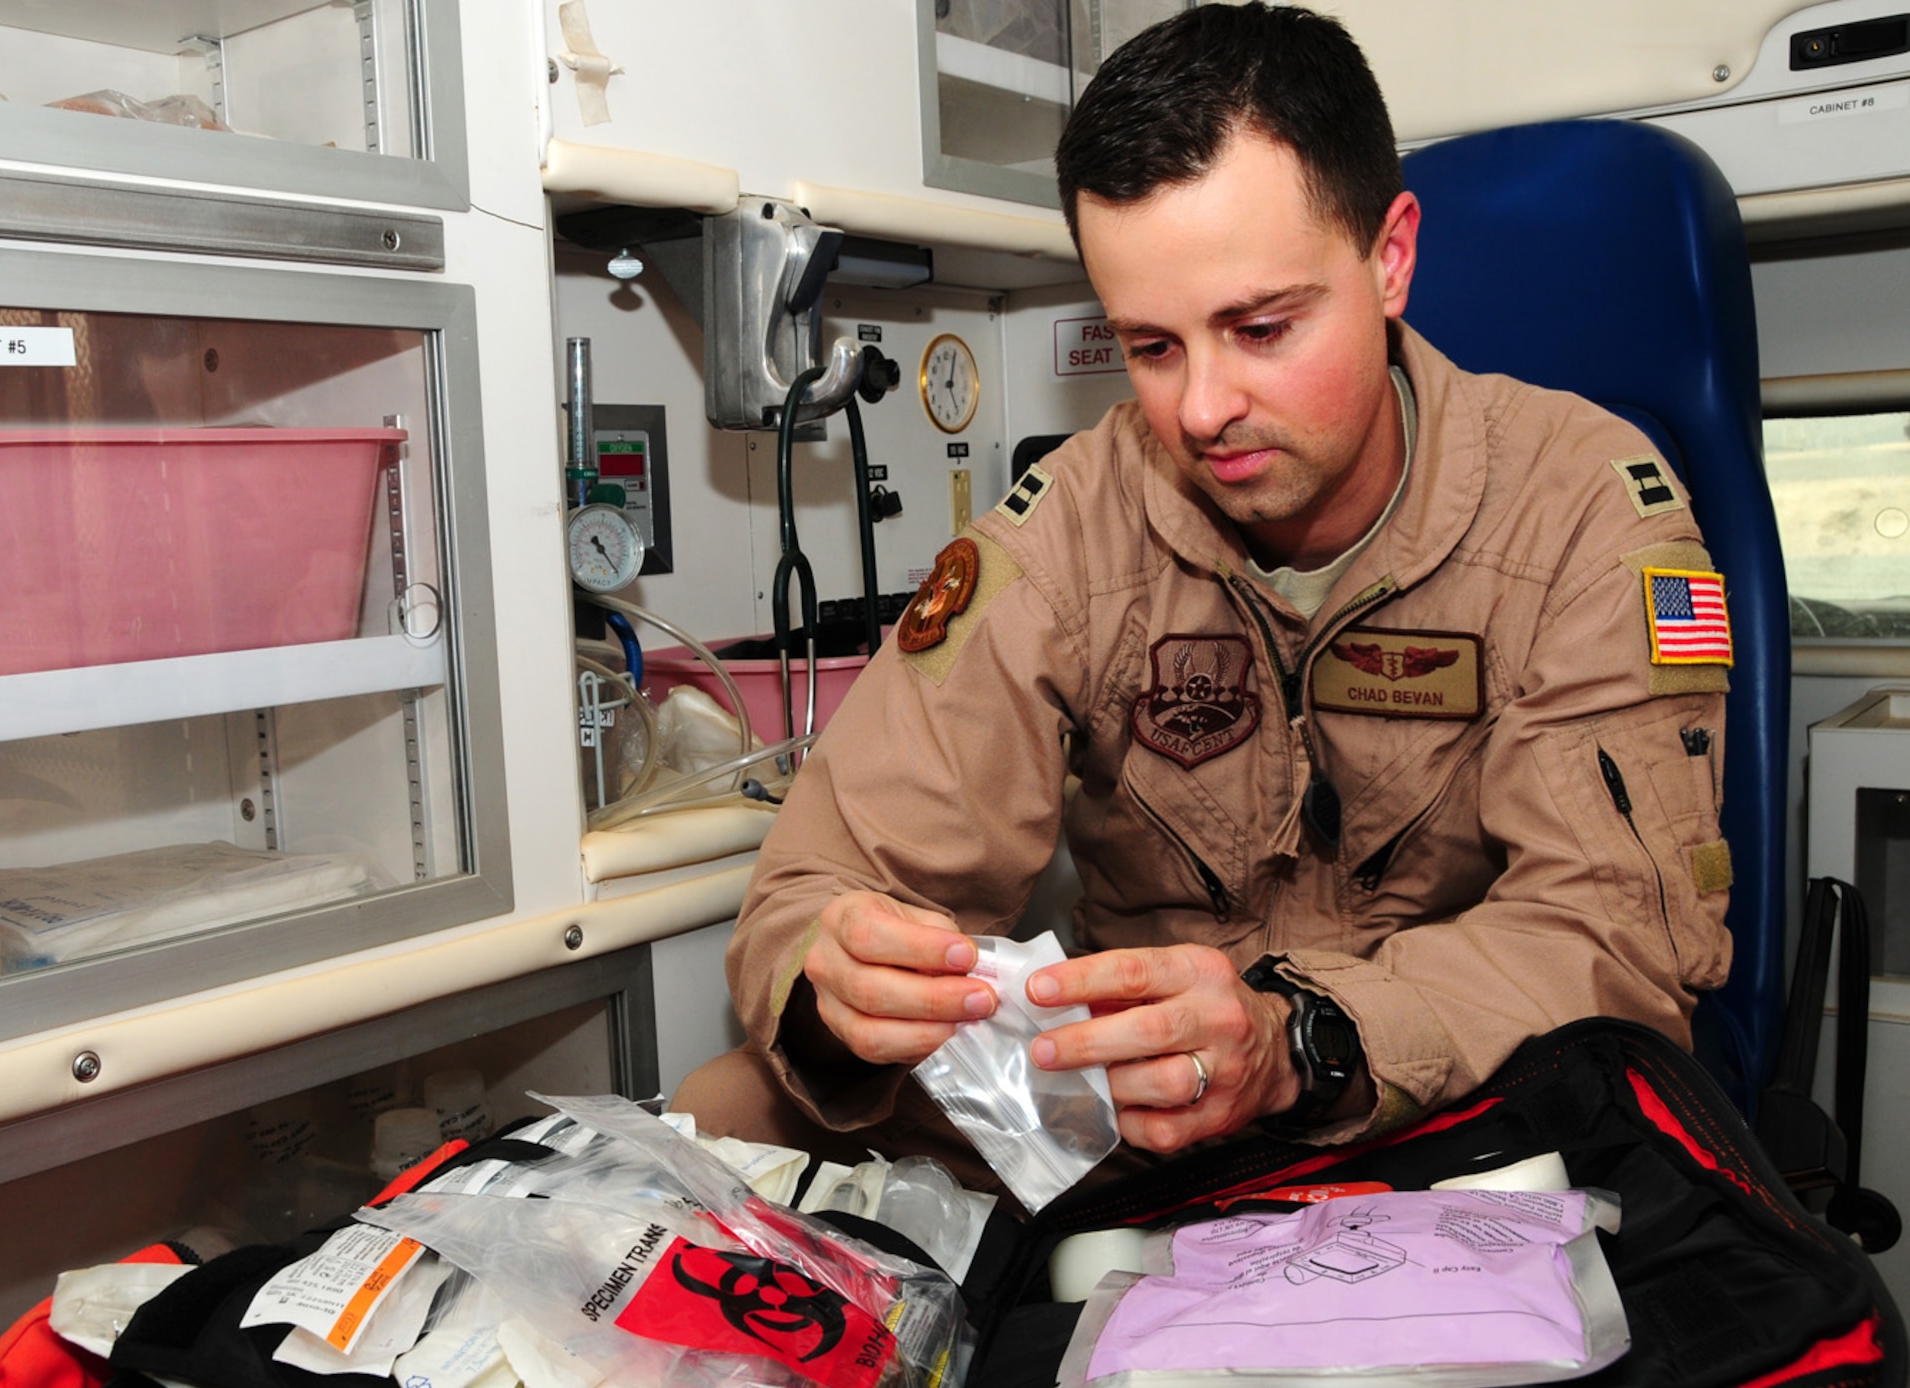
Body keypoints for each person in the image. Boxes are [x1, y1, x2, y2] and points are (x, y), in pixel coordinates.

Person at [674, 2, 1734, 1197]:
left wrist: (1299, 1042)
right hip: (1144, 1126)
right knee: (722, 1109)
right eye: (1152, 346)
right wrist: (840, 983)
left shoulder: (1583, 509)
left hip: (1461, 1114)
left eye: (1259, 328)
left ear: (1389, 258)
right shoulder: (1067, 528)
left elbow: (1612, 936)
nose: (1200, 410)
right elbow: (820, 883)